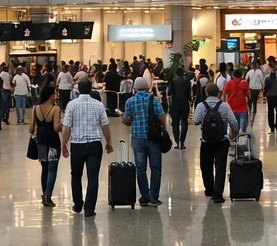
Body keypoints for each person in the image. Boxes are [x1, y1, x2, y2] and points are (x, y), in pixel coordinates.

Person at [60, 79, 112, 217]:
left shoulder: (71, 105)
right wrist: (109, 142)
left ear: (78, 89)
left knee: (76, 175)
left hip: (77, 145)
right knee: (93, 177)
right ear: (90, 89)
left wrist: (63, 144)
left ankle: (78, 205)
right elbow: (105, 126)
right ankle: (89, 209)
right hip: (94, 144)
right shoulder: (99, 105)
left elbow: (66, 127)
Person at [122, 78, 165, 206]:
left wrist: (131, 120)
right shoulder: (154, 99)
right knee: (155, 167)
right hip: (154, 138)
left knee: (141, 168)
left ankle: (144, 196)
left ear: (134, 88)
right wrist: (164, 131)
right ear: (147, 88)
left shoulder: (130, 101)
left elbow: (125, 120)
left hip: (137, 137)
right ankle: (154, 196)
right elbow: (161, 116)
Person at [193, 83, 237, 203]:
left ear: (206, 93)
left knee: (206, 166)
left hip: (206, 141)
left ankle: (209, 189)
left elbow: (196, 121)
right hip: (222, 141)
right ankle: (218, 194)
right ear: (218, 93)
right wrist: (234, 134)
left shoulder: (201, 106)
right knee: (220, 167)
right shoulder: (225, 106)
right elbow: (233, 122)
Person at [30, 84, 63, 207]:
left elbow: (31, 128)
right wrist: (62, 126)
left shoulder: (35, 108)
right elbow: (55, 127)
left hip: (41, 143)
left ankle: (44, 194)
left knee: (44, 168)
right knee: (52, 169)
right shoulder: (55, 109)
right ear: (51, 95)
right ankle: (48, 195)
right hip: (53, 142)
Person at [168, 65, 193, 148]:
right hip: (184, 103)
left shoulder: (173, 81)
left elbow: (169, 93)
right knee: (184, 122)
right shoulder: (187, 81)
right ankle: (182, 141)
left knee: (175, 123)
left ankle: (176, 141)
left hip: (175, 104)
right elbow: (189, 94)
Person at [223, 67, 250, 134]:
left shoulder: (229, 83)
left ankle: (234, 139)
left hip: (231, 108)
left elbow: (224, 95)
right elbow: (249, 96)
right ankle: (240, 140)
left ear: (233, 75)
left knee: (233, 127)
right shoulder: (245, 83)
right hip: (242, 108)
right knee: (243, 129)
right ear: (241, 75)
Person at [263, 57, 277, 133]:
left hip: (271, 96)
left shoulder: (267, 77)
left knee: (271, 112)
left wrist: (264, 95)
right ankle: (275, 126)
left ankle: (272, 127)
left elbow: (265, 87)